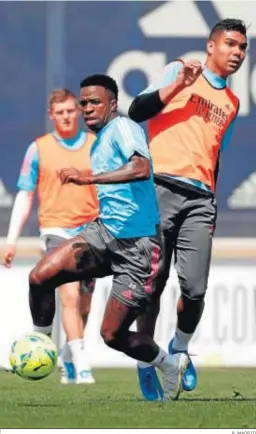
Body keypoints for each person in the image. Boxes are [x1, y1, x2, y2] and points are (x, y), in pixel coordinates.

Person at [28, 74, 189, 401]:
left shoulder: (124, 127)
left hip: (139, 247)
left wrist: (89, 178)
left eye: (95, 102)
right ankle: (40, 344)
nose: (87, 108)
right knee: (40, 276)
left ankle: (168, 363)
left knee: (111, 335)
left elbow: (141, 168)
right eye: (83, 102)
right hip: (104, 234)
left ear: (113, 104)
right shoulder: (98, 138)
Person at [128, 18, 247, 400]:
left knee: (195, 288)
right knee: (153, 284)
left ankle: (178, 349)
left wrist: (211, 196)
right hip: (160, 188)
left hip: (200, 199)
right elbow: (136, 111)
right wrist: (178, 84)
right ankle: (147, 361)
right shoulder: (179, 70)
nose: (238, 53)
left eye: (243, 48)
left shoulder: (232, 102)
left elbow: (214, 154)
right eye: (230, 44)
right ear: (211, 46)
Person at [2, 88, 99, 385]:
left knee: (84, 303)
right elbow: (25, 195)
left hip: (92, 230)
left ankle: (69, 355)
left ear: (79, 112)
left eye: (71, 111)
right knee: (67, 291)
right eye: (60, 112)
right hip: (56, 229)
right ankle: (82, 365)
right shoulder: (39, 149)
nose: (67, 117)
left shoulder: (96, 146)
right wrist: (11, 239)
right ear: (51, 115)